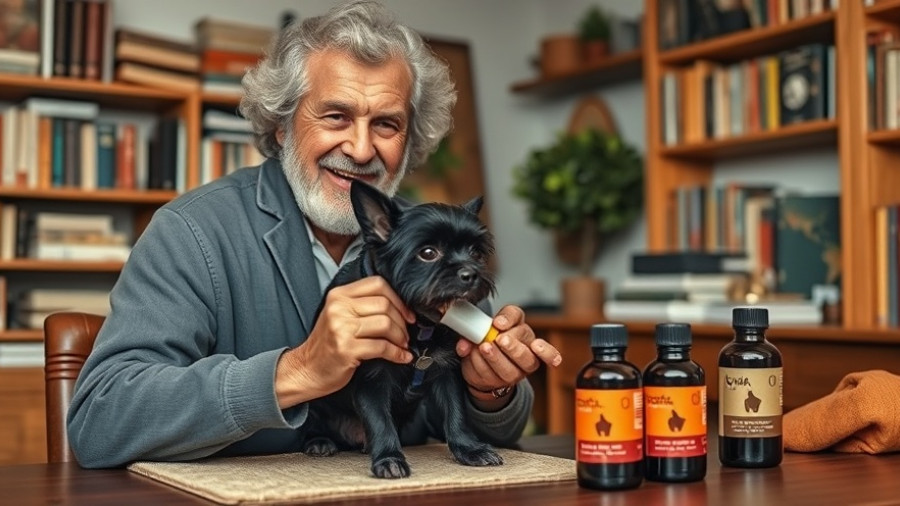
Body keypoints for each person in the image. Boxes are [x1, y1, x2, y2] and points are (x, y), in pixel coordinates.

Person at [67, 0, 562, 468]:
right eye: (336, 116)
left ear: (410, 142)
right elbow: (100, 421)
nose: (362, 148)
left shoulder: (429, 239)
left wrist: (488, 390)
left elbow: (493, 428)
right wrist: (297, 371)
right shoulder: (192, 233)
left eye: (387, 124)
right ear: (282, 125)